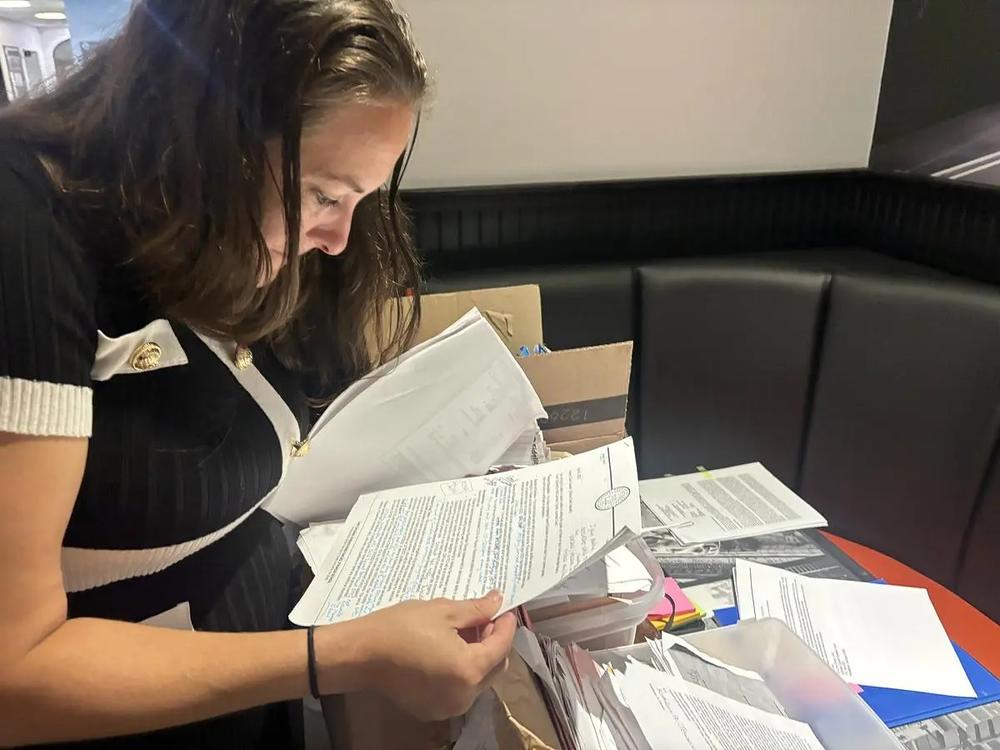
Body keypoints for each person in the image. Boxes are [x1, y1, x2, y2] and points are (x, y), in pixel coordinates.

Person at [0, 1, 516, 747]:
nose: (339, 238)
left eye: (360, 200)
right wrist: (344, 655)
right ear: (209, 136)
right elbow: (16, 672)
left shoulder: (227, 232)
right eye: (325, 195)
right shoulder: (27, 231)